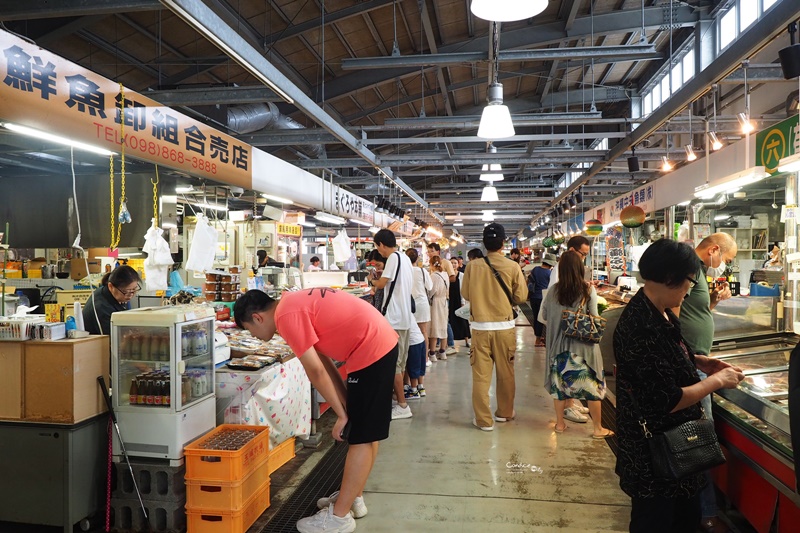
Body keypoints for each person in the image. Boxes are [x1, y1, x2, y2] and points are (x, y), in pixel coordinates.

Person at [234, 289, 398, 533]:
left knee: (362, 437)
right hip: (376, 344)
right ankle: (352, 497)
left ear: (257, 317)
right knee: (365, 432)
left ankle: (339, 518)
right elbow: (324, 361)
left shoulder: (286, 317)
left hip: (370, 349)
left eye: (250, 330)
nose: (255, 337)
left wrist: (342, 415)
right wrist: (344, 404)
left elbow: (316, 371)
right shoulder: (291, 304)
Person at [613, 239, 744, 533]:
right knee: (656, 521)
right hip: (656, 457)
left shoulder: (660, 311)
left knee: (684, 518)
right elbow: (667, 400)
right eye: (688, 281)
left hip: (678, 453)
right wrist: (716, 381)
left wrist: (700, 362)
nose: (689, 288)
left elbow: (666, 355)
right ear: (670, 278)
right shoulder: (639, 326)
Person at [673, 233, 736, 533]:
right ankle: (706, 513)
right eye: (725, 259)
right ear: (713, 250)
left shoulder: (698, 273)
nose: (723, 266)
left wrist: (713, 300)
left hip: (698, 361)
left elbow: (693, 312)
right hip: (691, 366)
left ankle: (701, 508)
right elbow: (671, 317)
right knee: (701, 441)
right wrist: (685, 357)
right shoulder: (688, 268)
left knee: (699, 439)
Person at [461, 223, 528, 431]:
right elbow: (521, 296)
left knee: (481, 376)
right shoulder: (513, 266)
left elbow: (466, 294)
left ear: (484, 244)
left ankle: (484, 420)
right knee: (506, 372)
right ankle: (504, 412)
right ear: (502, 243)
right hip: (505, 327)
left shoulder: (472, 266)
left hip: (480, 327)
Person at [541, 251, 612, 438]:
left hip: (560, 347)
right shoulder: (588, 290)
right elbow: (594, 316)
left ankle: (560, 424)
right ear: (581, 268)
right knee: (592, 388)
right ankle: (598, 428)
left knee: (561, 388)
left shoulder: (552, 291)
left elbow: (544, 317)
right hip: (585, 348)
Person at [546, 235, 592, 424]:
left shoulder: (568, 271)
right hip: (563, 328)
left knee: (567, 367)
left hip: (563, 327)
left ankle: (570, 404)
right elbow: (558, 297)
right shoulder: (562, 271)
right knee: (566, 367)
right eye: (583, 254)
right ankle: (568, 406)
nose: (584, 258)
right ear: (572, 251)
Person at [370, 229, 415, 420]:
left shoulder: (393, 258)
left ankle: (403, 405)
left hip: (393, 318)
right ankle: (399, 400)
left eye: (377, 246)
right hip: (404, 318)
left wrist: (372, 279)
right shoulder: (404, 258)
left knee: (393, 364)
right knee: (401, 362)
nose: (378, 251)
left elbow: (380, 285)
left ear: (381, 244)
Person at [83, 265, 141, 336]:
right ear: (110, 286)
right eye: (126, 291)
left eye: (134, 289)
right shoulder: (101, 307)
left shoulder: (118, 296)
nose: (131, 294)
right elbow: (114, 340)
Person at [406, 248, 433, 371]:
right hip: (421, 303)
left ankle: (409, 359)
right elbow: (430, 286)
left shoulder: (404, 271)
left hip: (408, 304)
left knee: (409, 332)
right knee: (423, 332)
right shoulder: (422, 271)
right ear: (417, 259)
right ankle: (425, 358)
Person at [529, 254, 555, 347]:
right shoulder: (549, 273)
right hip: (542, 298)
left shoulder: (535, 269)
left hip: (533, 297)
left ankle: (538, 336)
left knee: (536, 317)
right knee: (541, 319)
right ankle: (538, 340)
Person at [428, 256, 450, 361]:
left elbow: (432, 291)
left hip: (435, 302)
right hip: (444, 301)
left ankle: (432, 354)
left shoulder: (433, 276)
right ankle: (442, 352)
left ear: (432, 264)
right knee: (443, 326)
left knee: (434, 327)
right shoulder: (445, 275)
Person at [449, 257, 470, 348]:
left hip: (459, 300)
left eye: (455, 263)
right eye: (451, 263)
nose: (453, 265)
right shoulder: (447, 275)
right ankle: (451, 341)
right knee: (451, 320)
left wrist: (463, 301)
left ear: (458, 264)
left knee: (463, 321)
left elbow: (463, 289)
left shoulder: (461, 275)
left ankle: (466, 340)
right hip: (450, 300)